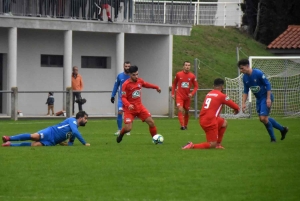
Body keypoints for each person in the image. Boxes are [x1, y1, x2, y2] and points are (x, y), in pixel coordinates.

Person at [237, 59, 288, 142]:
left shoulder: (258, 73)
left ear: (247, 66)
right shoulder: (245, 77)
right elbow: (246, 91)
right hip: (259, 99)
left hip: (265, 97)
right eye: (240, 68)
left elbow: (268, 84)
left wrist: (268, 98)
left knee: (263, 118)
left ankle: (273, 139)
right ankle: (282, 129)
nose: (241, 70)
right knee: (263, 119)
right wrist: (243, 103)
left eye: (242, 68)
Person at [182, 78, 240, 150]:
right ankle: (192, 146)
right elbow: (236, 107)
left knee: (224, 123)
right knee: (212, 144)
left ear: (213, 86)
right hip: (210, 121)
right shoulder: (222, 96)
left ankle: (218, 144)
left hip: (203, 119)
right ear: (222, 87)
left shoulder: (209, 93)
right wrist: (236, 109)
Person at [116, 65, 161, 143]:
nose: (136, 76)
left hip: (140, 107)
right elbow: (123, 97)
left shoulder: (140, 81)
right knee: (128, 128)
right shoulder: (125, 84)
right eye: (134, 75)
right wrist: (128, 105)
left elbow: (147, 84)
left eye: (137, 74)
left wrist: (156, 87)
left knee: (151, 123)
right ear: (130, 75)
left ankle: (156, 139)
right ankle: (121, 133)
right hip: (129, 109)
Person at [2, 111, 90, 147]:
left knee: (35, 145)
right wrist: (84, 143)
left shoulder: (75, 127)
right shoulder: (72, 120)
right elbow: (75, 132)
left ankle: (10, 144)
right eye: (85, 118)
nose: (86, 121)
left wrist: (64, 143)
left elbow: (71, 142)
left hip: (52, 141)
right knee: (34, 136)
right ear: (80, 118)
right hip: (50, 132)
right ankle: (9, 138)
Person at [171, 61, 199, 130]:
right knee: (180, 109)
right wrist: (172, 93)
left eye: (189, 65)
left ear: (190, 67)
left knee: (186, 111)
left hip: (187, 97)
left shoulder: (192, 76)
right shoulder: (178, 74)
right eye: (186, 65)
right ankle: (182, 126)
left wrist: (191, 93)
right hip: (179, 95)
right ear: (183, 66)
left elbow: (196, 86)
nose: (187, 66)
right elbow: (174, 84)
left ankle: (185, 125)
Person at [111, 61, 131, 136]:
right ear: (123, 67)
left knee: (128, 114)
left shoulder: (132, 76)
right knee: (120, 112)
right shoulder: (120, 76)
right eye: (126, 66)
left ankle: (128, 130)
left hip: (129, 99)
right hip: (121, 98)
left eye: (129, 66)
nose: (127, 68)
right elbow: (116, 86)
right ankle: (119, 129)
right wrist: (112, 96)